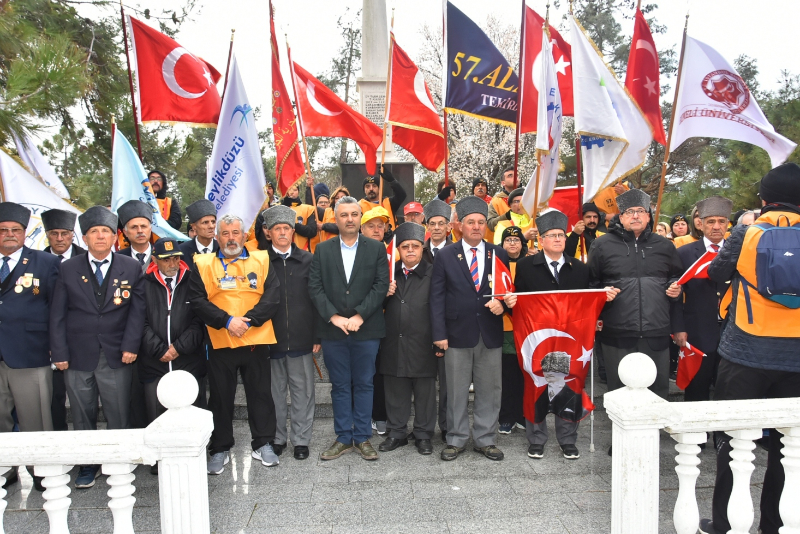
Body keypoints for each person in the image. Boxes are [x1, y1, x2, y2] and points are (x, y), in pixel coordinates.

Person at [699, 163, 800, 534]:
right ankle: (775, 524)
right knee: (788, 449)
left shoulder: (747, 232)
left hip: (745, 350)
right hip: (797, 357)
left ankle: (725, 523)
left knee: (732, 441)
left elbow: (716, 274)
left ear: (764, 198)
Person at [50, 206, 146, 489]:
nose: (100, 236)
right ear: (84, 238)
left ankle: (117, 461)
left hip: (117, 353)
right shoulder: (68, 268)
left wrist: (131, 345)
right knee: (82, 413)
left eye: (105, 231)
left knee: (118, 412)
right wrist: (59, 353)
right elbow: (57, 314)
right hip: (77, 355)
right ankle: (88, 465)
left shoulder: (130, 267)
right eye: (94, 232)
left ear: (116, 237)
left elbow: (137, 312)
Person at [509, 210, 619, 460]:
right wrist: (511, 301)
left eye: (561, 235)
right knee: (537, 384)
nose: (558, 239)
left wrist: (605, 297)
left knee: (569, 383)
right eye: (552, 235)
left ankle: (568, 439)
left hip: (569, 337)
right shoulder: (526, 266)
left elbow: (588, 299)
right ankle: (536, 439)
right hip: (538, 338)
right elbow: (518, 300)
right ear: (542, 240)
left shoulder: (579, 267)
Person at [189, 214, 281, 474]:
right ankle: (220, 448)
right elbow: (197, 301)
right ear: (217, 237)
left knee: (261, 395)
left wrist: (248, 321)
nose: (231, 238)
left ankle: (263, 443)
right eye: (226, 233)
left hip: (256, 341)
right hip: (220, 341)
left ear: (245, 236)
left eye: (236, 233)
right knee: (220, 397)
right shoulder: (203, 263)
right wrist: (228, 321)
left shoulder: (261, 259)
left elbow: (272, 296)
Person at [308, 197, 389, 461]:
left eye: (355, 214)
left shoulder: (376, 249)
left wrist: (359, 315)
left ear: (360, 217)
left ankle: (363, 437)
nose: (350, 219)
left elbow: (380, 286)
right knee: (340, 385)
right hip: (334, 331)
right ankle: (343, 437)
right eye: (344, 215)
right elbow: (315, 288)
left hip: (366, 329)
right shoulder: (322, 250)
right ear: (335, 218)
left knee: (365, 384)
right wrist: (333, 317)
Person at [430, 196, 509, 462]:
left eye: (481, 222)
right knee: (455, 389)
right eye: (470, 222)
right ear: (460, 225)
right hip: (455, 334)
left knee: (490, 389)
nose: (476, 227)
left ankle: (485, 439)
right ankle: (455, 439)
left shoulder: (498, 253)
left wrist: (503, 304)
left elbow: (507, 290)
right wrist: (439, 334)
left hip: (489, 333)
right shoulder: (445, 255)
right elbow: (437, 297)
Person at [588, 189, 683, 403]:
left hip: (656, 330)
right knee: (619, 392)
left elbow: (677, 278)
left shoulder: (665, 246)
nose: (636, 216)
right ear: (620, 217)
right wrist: (600, 294)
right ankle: (620, 434)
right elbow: (590, 283)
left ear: (649, 216)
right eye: (629, 212)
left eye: (640, 211)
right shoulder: (602, 245)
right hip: (617, 331)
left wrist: (676, 288)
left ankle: (654, 433)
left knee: (657, 391)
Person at [0, 202, 61, 492]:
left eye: (15, 230)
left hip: (30, 351)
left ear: (25, 233)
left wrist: (55, 347)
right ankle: (5, 468)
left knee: (35, 416)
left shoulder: (46, 263)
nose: (9, 235)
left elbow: (56, 309)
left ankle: (41, 470)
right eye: (3, 230)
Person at [140, 238, 206, 474]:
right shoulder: (145, 283)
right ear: (156, 260)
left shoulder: (192, 280)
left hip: (187, 358)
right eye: (167, 259)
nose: (173, 263)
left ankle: (193, 454)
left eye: (176, 257)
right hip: (155, 361)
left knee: (192, 408)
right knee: (156, 409)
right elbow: (140, 321)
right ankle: (160, 458)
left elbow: (200, 319)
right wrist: (160, 349)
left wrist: (179, 347)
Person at [261, 206, 318, 461]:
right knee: (274, 394)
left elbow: (318, 298)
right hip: (269, 340)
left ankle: (301, 440)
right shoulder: (259, 261)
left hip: (302, 337)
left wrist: (317, 335)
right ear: (268, 233)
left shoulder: (308, 259)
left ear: (293, 232)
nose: (282, 233)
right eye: (277, 229)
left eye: (286, 228)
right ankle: (278, 438)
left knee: (302, 392)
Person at [378, 222, 438, 456]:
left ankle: (423, 434)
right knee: (395, 389)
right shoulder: (388, 273)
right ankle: (396, 432)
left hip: (424, 341)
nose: (410, 250)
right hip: (393, 340)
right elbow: (374, 306)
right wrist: (384, 294)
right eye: (405, 246)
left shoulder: (433, 273)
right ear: (398, 250)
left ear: (422, 248)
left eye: (415, 246)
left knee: (424, 392)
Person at [673, 196, 733, 404]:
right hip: (697, 330)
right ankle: (696, 436)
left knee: (729, 389)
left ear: (728, 223)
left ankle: (724, 436)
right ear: (701, 223)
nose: (717, 226)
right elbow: (676, 294)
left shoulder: (739, 252)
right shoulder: (685, 253)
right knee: (697, 387)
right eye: (711, 221)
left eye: (722, 221)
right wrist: (678, 328)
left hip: (733, 330)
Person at [41, 208, 86, 432]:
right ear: (47, 234)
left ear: (72, 234)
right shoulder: (36, 261)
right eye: (54, 233)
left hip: (83, 340)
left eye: (65, 233)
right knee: (54, 397)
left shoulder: (86, 259)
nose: (60, 239)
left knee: (84, 398)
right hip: (49, 341)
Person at [421, 199, 453, 439]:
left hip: (449, 326)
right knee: (424, 381)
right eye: (433, 223)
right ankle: (424, 428)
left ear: (449, 227)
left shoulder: (459, 252)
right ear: (427, 226)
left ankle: (447, 426)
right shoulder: (417, 252)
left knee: (448, 382)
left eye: (442, 223)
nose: (437, 227)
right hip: (421, 324)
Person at [496, 226, 526, 436]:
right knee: (507, 375)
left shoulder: (531, 264)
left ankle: (522, 415)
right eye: (508, 240)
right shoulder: (496, 264)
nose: (513, 244)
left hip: (526, 326)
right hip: (504, 327)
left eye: (517, 240)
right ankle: (506, 416)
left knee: (524, 373)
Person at [179, 199, 219, 270]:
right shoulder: (182, 251)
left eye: (213, 222)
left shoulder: (222, 249)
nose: (211, 226)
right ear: (194, 227)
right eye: (205, 222)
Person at [117, 200, 154, 272]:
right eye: (134, 227)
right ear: (125, 232)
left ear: (150, 229)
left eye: (143, 226)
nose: (140, 231)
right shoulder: (117, 259)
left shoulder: (162, 255)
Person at [422, 199, 453, 265]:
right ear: (428, 227)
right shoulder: (420, 252)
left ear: (448, 227)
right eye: (432, 224)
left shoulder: (456, 252)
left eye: (441, 223)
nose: (436, 228)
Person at [486, 167, 517, 234]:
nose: (515, 177)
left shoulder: (528, 198)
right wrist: (507, 216)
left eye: (516, 175)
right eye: (510, 176)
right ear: (503, 183)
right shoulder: (496, 201)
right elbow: (491, 224)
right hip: (503, 241)